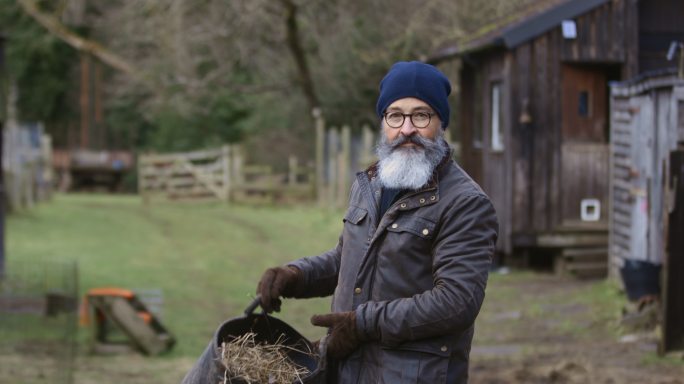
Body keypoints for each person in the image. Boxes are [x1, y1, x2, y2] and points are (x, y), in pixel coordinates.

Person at [257, 61, 498, 383]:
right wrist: (296, 275)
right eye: (395, 115)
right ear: (384, 121)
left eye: (421, 115)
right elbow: (351, 259)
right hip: (348, 370)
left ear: (441, 122)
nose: (407, 129)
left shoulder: (465, 203)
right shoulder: (370, 183)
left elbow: (456, 302)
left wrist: (363, 324)